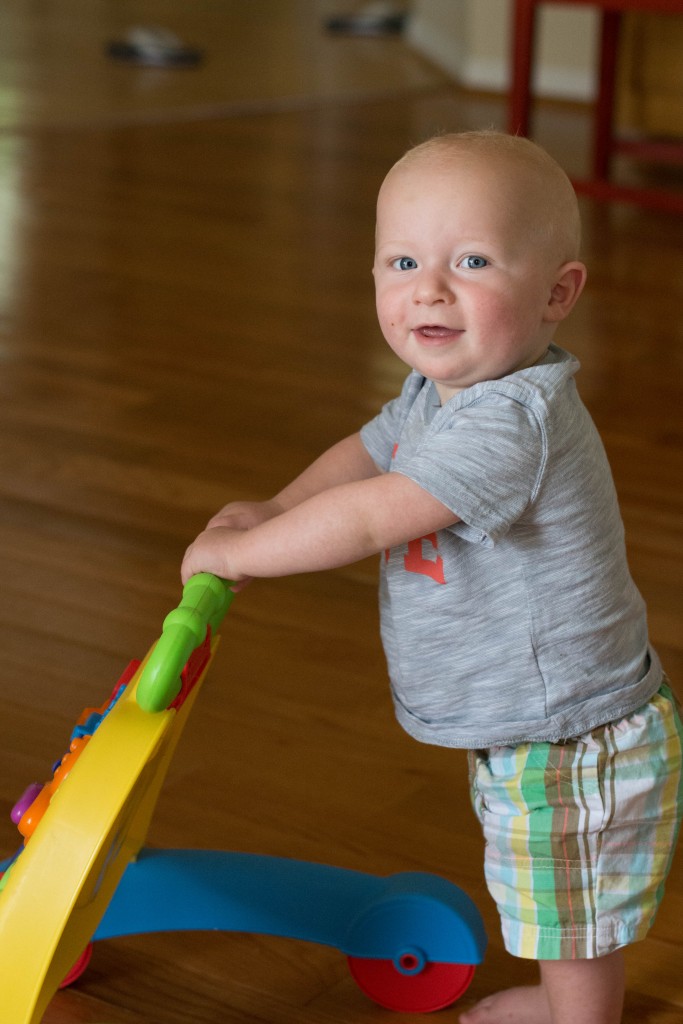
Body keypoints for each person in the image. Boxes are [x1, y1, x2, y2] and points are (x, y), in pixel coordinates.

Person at [181, 131, 683, 1024]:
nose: (429, 288)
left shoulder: (512, 421)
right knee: (537, 876)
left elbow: (379, 509)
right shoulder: (436, 392)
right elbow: (366, 455)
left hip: (571, 725)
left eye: (473, 261)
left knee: (566, 902)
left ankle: (578, 1019)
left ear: (556, 294)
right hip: (526, 710)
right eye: (403, 260)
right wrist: (271, 507)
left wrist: (244, 554)